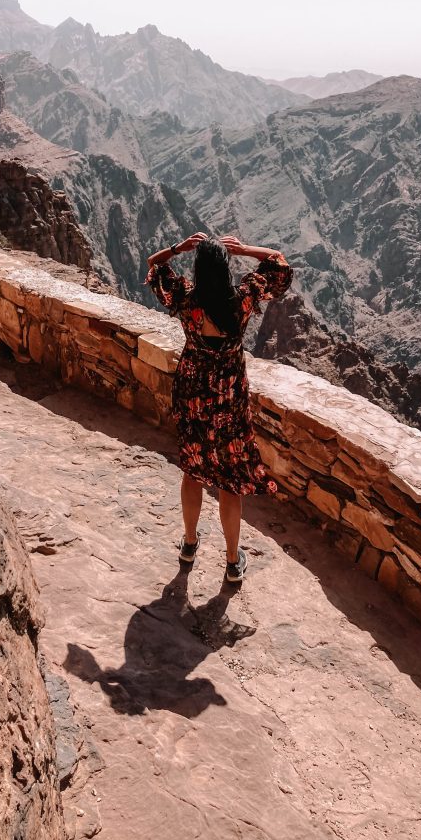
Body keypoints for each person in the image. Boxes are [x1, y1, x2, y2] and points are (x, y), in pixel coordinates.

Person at [145, 232, 292, 582]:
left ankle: (189, 543)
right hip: (229, 400)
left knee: (193, 471)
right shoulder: (242, 301)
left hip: (193, 397)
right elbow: (279, 265)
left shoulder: (185, 300)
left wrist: (180, 247)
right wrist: (243, 249)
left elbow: (154, 265)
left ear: (197, 268)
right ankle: (230, 562)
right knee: (230, 482)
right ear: (226, 269)